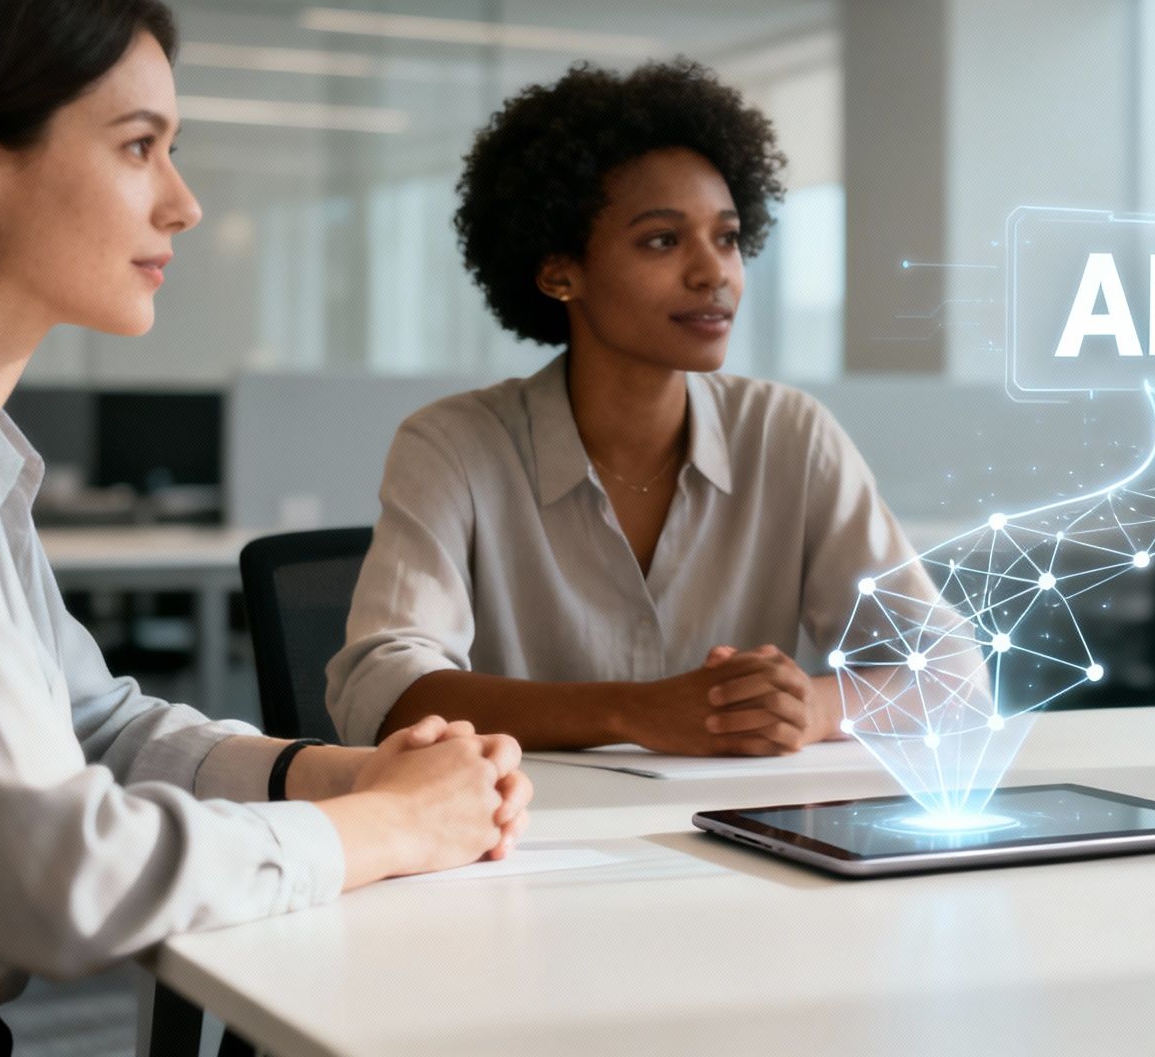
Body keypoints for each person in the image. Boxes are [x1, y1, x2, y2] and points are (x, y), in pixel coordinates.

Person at [0, 0, 532, 1051]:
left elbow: (99, 724)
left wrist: (332, 774)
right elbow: (59, 880)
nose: (184, 205)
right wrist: (382, 828)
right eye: (140, 146)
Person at [325, 60, 934, 754]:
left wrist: (816, 708)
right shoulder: (456, 446)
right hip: (525, 842)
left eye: (727, 237)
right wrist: (634, 713)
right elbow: (384, 694)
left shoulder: (788, 434)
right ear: (561, 271)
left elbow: (949, 671)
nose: (714, 274)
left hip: (744, 840)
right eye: (662, 240)